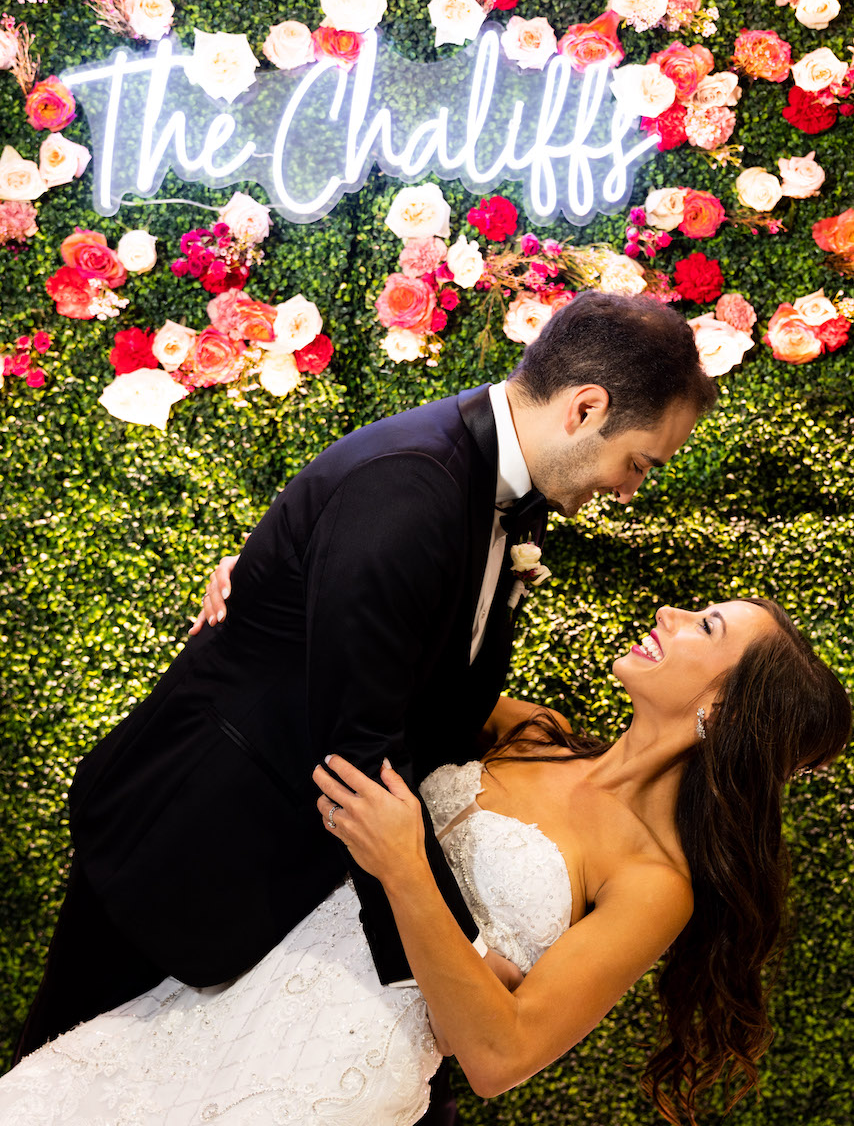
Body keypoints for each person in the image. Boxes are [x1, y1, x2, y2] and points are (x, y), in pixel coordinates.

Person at [15, 292, 715, 1068]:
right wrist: (463, 951)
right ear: (586, 409)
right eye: (639, 463)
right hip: (184, 841)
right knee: (64, 1077)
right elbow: (361, 752)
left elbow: (431, 690)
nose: (629, 490)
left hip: (276, 867)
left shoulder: (511, 494)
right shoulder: (411, 490)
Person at [0, 598, 848, 1124]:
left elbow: (499, 1056)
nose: (668, 615)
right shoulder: (533, 734)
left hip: (331, 1072)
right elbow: (370, 664)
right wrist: (256, 591)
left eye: (705, 627)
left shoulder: (655, 883)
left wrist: (408, 868)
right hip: (227, 983)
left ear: (726, 714)